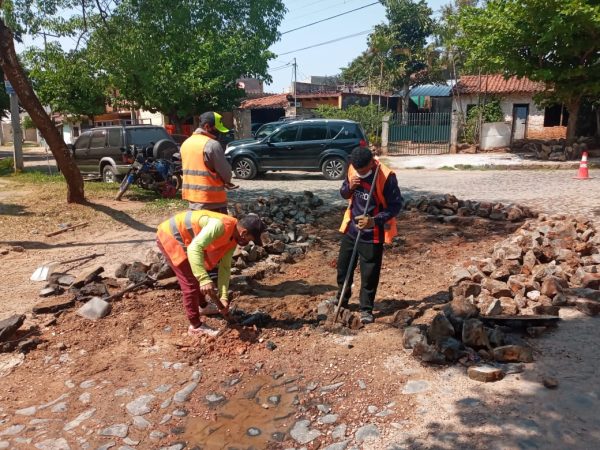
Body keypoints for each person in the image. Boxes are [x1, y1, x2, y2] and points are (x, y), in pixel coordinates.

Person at [156, 210, 266, 336]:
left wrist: (223, 297)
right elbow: (194, 248)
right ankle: (195, 326)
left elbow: (225, 268)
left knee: (198, 274)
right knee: (191, 283)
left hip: (188, 241)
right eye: (250, 239)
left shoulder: (232, 240)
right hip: (170, 236)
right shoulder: (218, 226)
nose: (248, 242)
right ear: (244, 233)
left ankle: (203, 306)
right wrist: (203, 279)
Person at [334, 147, 403, 324]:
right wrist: (350, 187)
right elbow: (343, 193)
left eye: (363, 171)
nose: (360, 174)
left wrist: (374, 220)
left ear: (372, 163)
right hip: (351, 229)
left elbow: (396, 205)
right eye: (358, 171)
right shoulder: (352, 168)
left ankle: (366, 309)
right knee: (343, 268)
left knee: (369, 273)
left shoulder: (386, 176)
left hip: (373, 233)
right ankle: (341, 299)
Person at [180, 111, 235, 214]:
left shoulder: (185, 143)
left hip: (193, 201)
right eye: (217, 129)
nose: (219, 133)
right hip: (213, 203)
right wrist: (226, 181)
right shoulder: (212, 145)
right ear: (207, 126)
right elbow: (226, 174)